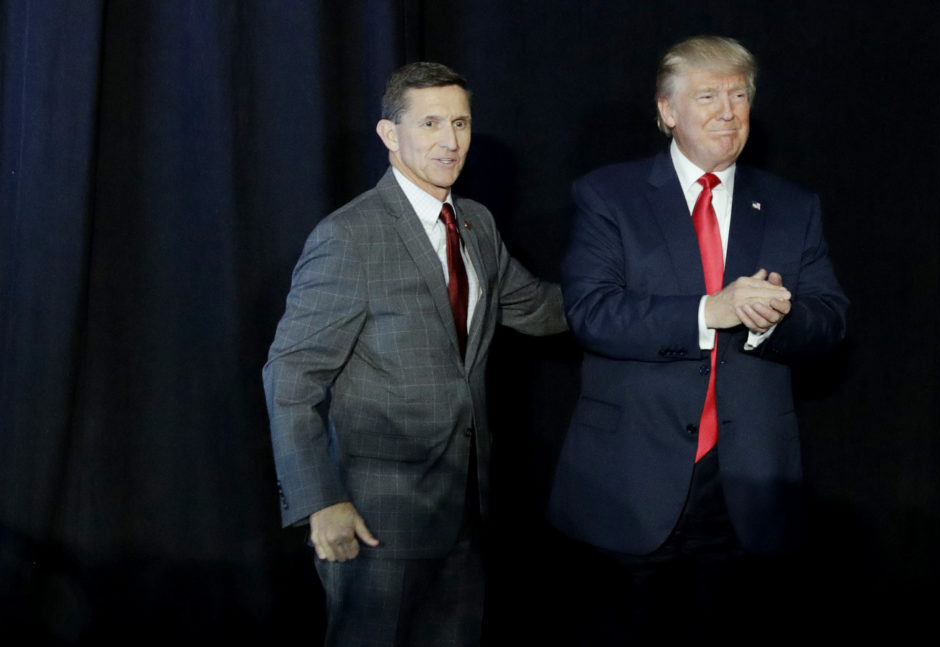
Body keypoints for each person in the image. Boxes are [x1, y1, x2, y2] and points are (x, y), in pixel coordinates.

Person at [548, 36, 848, 643]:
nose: (727, 111)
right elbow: (592, 312)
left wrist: (773, 320)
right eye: (708, 95)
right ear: (667, 111)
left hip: (744, 488)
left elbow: (832, 320)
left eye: (739, 96)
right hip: (629, 481)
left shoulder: (793, 206)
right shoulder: (609, 196)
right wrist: (713, 310)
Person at [263, 61, 565, 647]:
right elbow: (291, 376)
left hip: (465, 511)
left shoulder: (475, 224)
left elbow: (540, 308)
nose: (450, 142)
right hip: (374, 520)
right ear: (389, 134)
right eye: (429, 123)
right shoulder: (348, 237)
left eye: (460, 123)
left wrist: (682, 303)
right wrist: (321, 503)